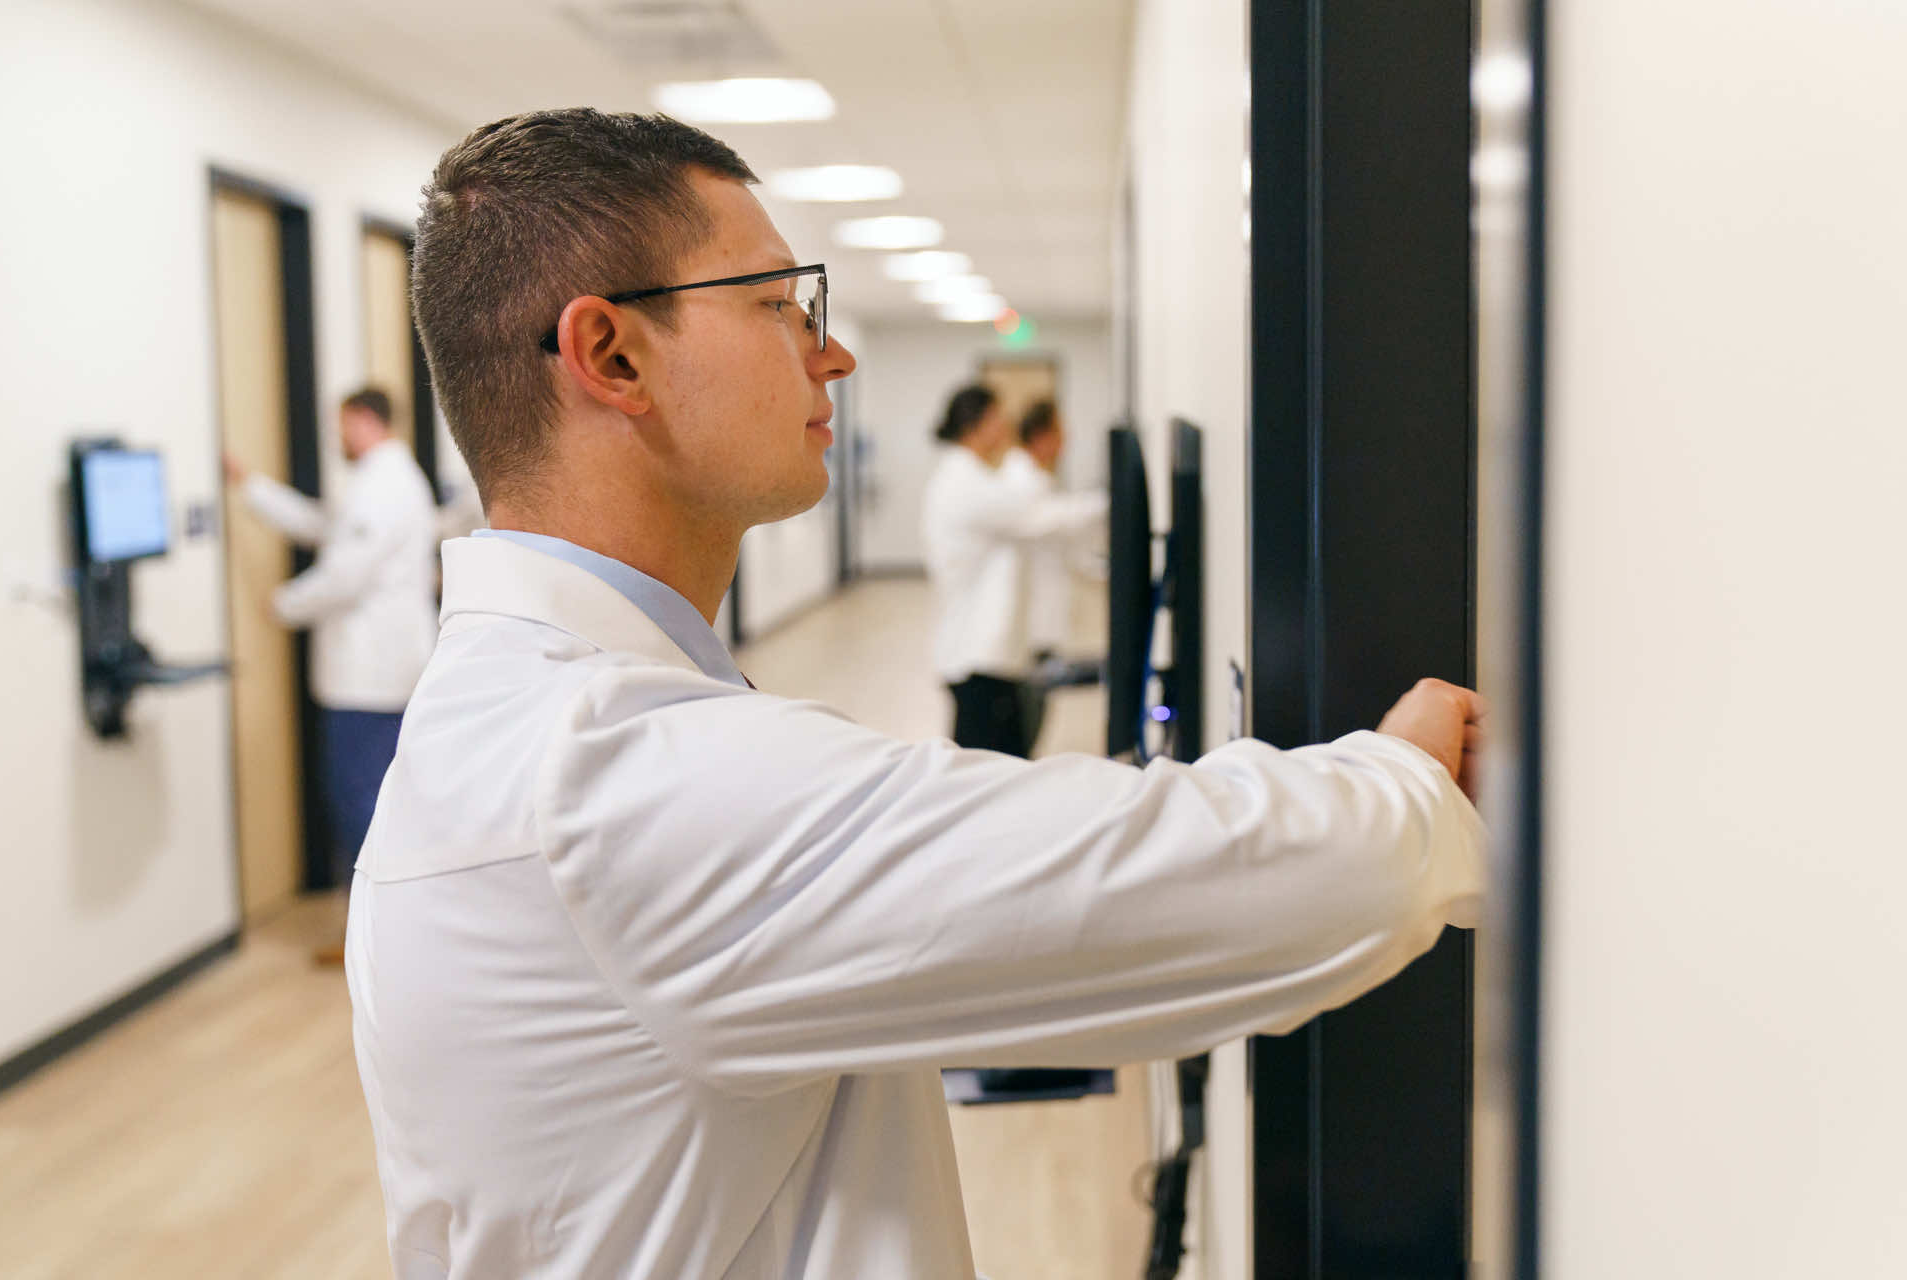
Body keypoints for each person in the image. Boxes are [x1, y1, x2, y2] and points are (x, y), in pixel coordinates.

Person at [348, 109, 1486, 1280]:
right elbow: (1166, 881)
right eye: (780, 304)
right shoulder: (602, 782)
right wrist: (1403, 773)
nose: (828, 354)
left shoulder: (536, 724)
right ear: (613, 355)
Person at [224, 387, 437, 963]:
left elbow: (346, 571)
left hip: (369, 679)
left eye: (343, 427)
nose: (338, 439)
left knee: (360, 803)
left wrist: (283, 604)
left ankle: (378, 943)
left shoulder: (385, 485)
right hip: (379, 673)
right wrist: (250, 486)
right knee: (374, 801)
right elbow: (326, 528)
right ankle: (386, 937)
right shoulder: (382, 482)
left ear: (366, 421)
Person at [923, 385, 1105, 757]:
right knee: (985, 768)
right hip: (978, 655)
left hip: (988, 652)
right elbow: (1034, 518)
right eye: (997, 418)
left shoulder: (975, 476)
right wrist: (1111, 501)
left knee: (1000, 761)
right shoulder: (964, 482)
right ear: (975, 424)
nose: (1006, 427)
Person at [998, 397, 1088, 751]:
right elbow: (1047, 520)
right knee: (1025, 722)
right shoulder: (1020, 479)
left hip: (1040, 620)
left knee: (1034, 715)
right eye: (1061, 431)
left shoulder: (1034, 477)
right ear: (1041, 435)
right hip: (1029, 624)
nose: (1067, 440)